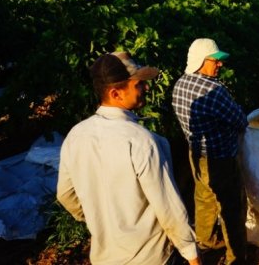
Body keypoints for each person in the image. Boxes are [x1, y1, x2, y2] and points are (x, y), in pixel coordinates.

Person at [57, 51, 201, 265]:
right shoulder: (141, 141)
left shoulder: (76, 136)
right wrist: (192, 256)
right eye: (138, 84)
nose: (146, 88)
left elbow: (65, 195)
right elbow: (169, 209)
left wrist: (100, 219)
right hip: (151, 257)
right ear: (116, 93)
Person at [172, 38, 249, 265]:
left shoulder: (180, 84)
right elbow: (240, 121)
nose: (220, 65)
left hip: (196, 155)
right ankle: (236, 257)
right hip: (220, 159)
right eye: (215, 61)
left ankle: (205, 241)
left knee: (203, 197)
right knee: (232, 208)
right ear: (200, 61)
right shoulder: (214, 91)